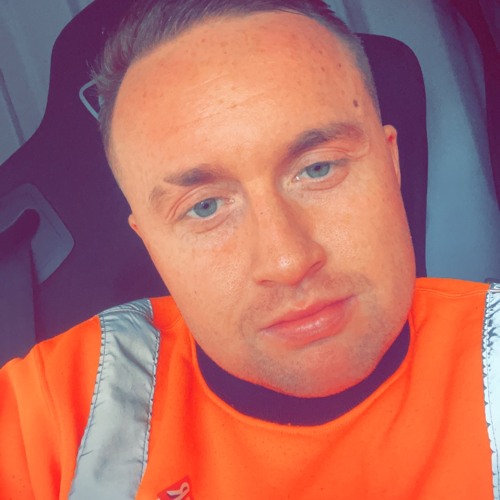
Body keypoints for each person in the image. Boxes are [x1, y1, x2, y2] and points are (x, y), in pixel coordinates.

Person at [1, 0, 498, 498]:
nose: (288, 262)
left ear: (391, 164)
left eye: (318, 169)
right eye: (205, 207)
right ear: (149, 241)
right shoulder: (53, 409)